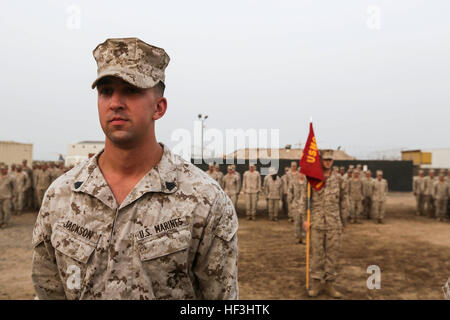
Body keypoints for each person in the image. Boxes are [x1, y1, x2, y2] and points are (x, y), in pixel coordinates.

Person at [31, 37, 238, 300]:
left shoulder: (205, 200)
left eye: (130, 90)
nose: (115, 102)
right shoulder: (61, 196)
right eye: (106, 91)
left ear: (159, 107)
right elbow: (48, 291)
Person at [301, 150, 347, 298]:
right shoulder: (313, 179)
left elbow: (344, 201)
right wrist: (305, 219)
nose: (328, 162)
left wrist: (343, 221)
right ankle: (316, 282)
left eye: (330, 160)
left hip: (334, 223)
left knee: (332, 254)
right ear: (320, 161)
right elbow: (304, 200)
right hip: (317, 222)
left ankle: (329, 284)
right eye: (325, 160)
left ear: (333, 161)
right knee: (317, 254)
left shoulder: (339, 180)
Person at [289, 171, 306, 243]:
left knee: (304, 222)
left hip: (304, 205)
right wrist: (290, 202)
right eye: (300, 173)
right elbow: (289, 192)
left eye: (303, 173)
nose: (301, 174)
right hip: (296, 205)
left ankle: (304, 237)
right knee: (297, 222)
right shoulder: (293, 182)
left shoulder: (307, 183)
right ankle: (297, 237)